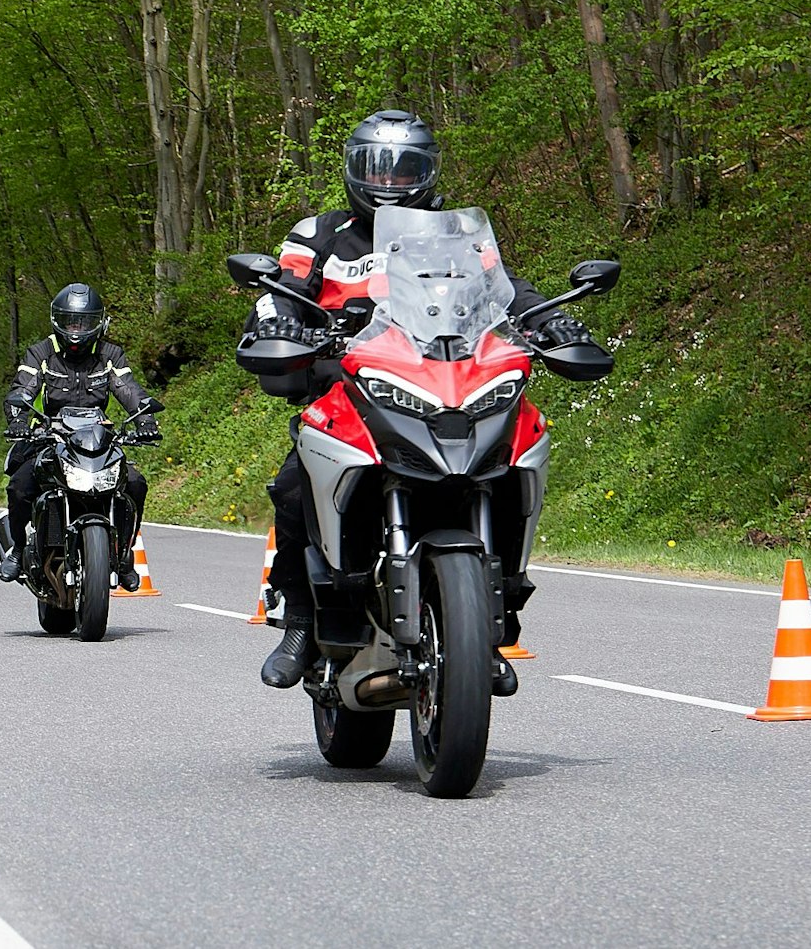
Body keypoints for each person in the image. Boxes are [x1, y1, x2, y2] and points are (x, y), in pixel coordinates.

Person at [242, 110, 595, 697]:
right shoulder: (317, 234)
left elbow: (504, 290)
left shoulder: (458, 234)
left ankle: (484, 625)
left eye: (405, 170)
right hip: (348, 383)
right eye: (377, 169)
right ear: (353, 170)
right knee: (293, 485)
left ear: (428, 173)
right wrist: (282, 327)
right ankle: (302, 620)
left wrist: (553, 321)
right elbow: (280, 292)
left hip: (444, 376)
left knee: (506, 459)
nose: (389, 183)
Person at [0, 283, 161, 589]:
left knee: (135, 484)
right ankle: (18, 550)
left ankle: (123, 555)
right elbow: (22, 388)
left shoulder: (110, 353)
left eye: (83, 322)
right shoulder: (41, 352)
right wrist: (19, 418)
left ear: (98, 322)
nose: (76, 330)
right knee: (20, 486)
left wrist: (146, 419)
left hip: (99, 440)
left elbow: (128, 389)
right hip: (53, 436)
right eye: (71, 321)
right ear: (57, 320)